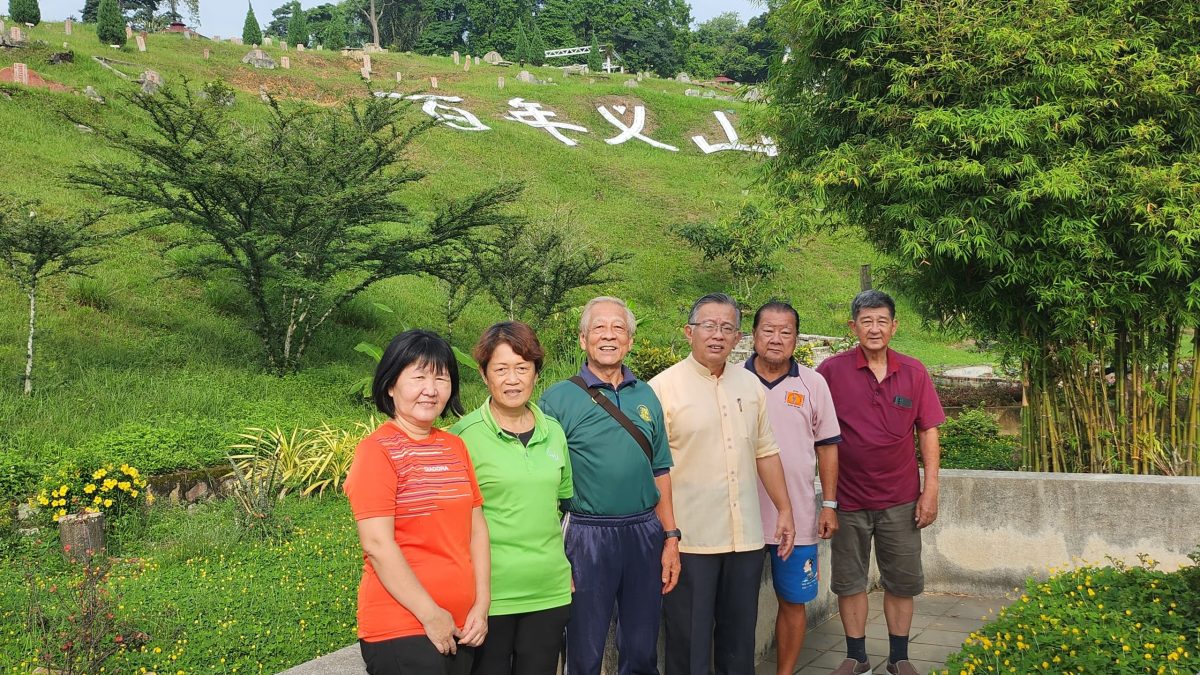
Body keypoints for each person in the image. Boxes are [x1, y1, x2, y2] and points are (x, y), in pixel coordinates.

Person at [649, 292, 796, 675]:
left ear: (737, 337)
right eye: (708, 326)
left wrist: (784, 509)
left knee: (738, 641)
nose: (718, 335)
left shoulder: (750, 386)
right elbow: (653, 470)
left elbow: (765, 451)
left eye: (727, 327)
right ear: (689, 332)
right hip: (690, 540)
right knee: (689, 645)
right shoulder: (662, 389)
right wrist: (669, 535)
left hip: (745, 538)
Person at [539, 296, 678, 675]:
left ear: (630, 341)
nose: (609, 335)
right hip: (586, 534)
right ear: (583, 339)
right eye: (598, 327)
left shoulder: (646, 395)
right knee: (584, 648)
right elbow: (543, 482)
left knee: (642, 647)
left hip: (643, 532)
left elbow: (660, 469)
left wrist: (671, 538)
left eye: (618, 328)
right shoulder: (557, 399)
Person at [345, 329, 489, 675]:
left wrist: (481, 605)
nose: (431, 388)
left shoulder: (455, 447)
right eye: (419, 376)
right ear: (391, 385)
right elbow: (378, 544)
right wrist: (430, 613)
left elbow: (477, 530)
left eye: (441, 378)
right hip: (403, 626)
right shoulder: (377, 452)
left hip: (463, 625)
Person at [817, 290, 945, 675]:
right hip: (847, 499)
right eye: (866, 321)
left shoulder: (913, 371)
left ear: (894, 326)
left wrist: (931, 489)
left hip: (901, 500)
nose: (874, 329)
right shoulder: (831, 371)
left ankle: (899, 658)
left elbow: (929, 432)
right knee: (849, 582)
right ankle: (857, 656)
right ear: (853, 326)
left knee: (901, 582)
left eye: (882, 321)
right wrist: (827, 500)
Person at [450, 322, 573, 675]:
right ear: (484, 375)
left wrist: (563, 567)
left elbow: (561, 505)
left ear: (536, 373)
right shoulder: (464, 437)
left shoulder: (554, 432)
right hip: (489, 597)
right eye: (501, 369)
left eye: (522, 368)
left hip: (549, 590)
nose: (513, 379)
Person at [743, 300, 841, 675]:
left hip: (797, 518)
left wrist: (828, 503)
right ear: (753, 335)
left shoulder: (813, 383)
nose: (776, 338)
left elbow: (828, 446)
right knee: (735, 606)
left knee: (793, 601)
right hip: (742, 519)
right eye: (768, 330)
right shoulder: (734, 379)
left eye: (785, 332)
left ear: (796, 339)